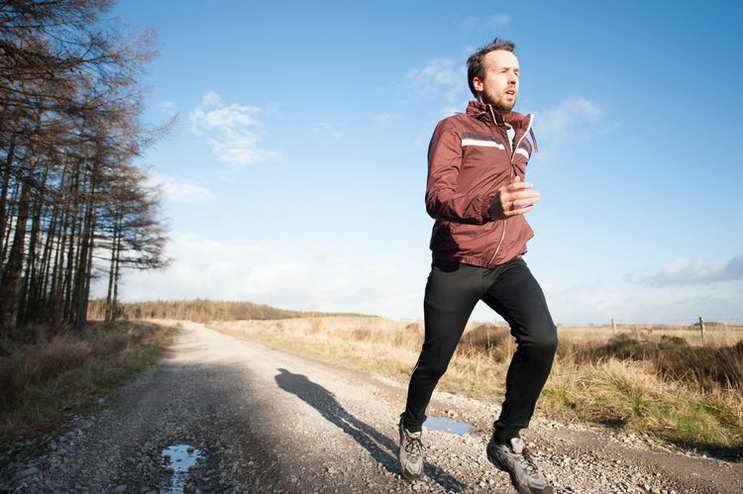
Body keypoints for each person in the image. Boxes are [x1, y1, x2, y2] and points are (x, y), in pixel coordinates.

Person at [397, 38, 558, 494]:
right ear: (478, 80)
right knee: (436, 358)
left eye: (518, 72)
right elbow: (437, 197)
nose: (513, 79)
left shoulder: (523, 135)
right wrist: (491, 203)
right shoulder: (453, 128)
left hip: (508, 260)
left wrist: (510, 204)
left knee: (542, 338)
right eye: (503, 71)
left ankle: (507, 440)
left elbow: (512, 187)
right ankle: (411, 426)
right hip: (458, 261)